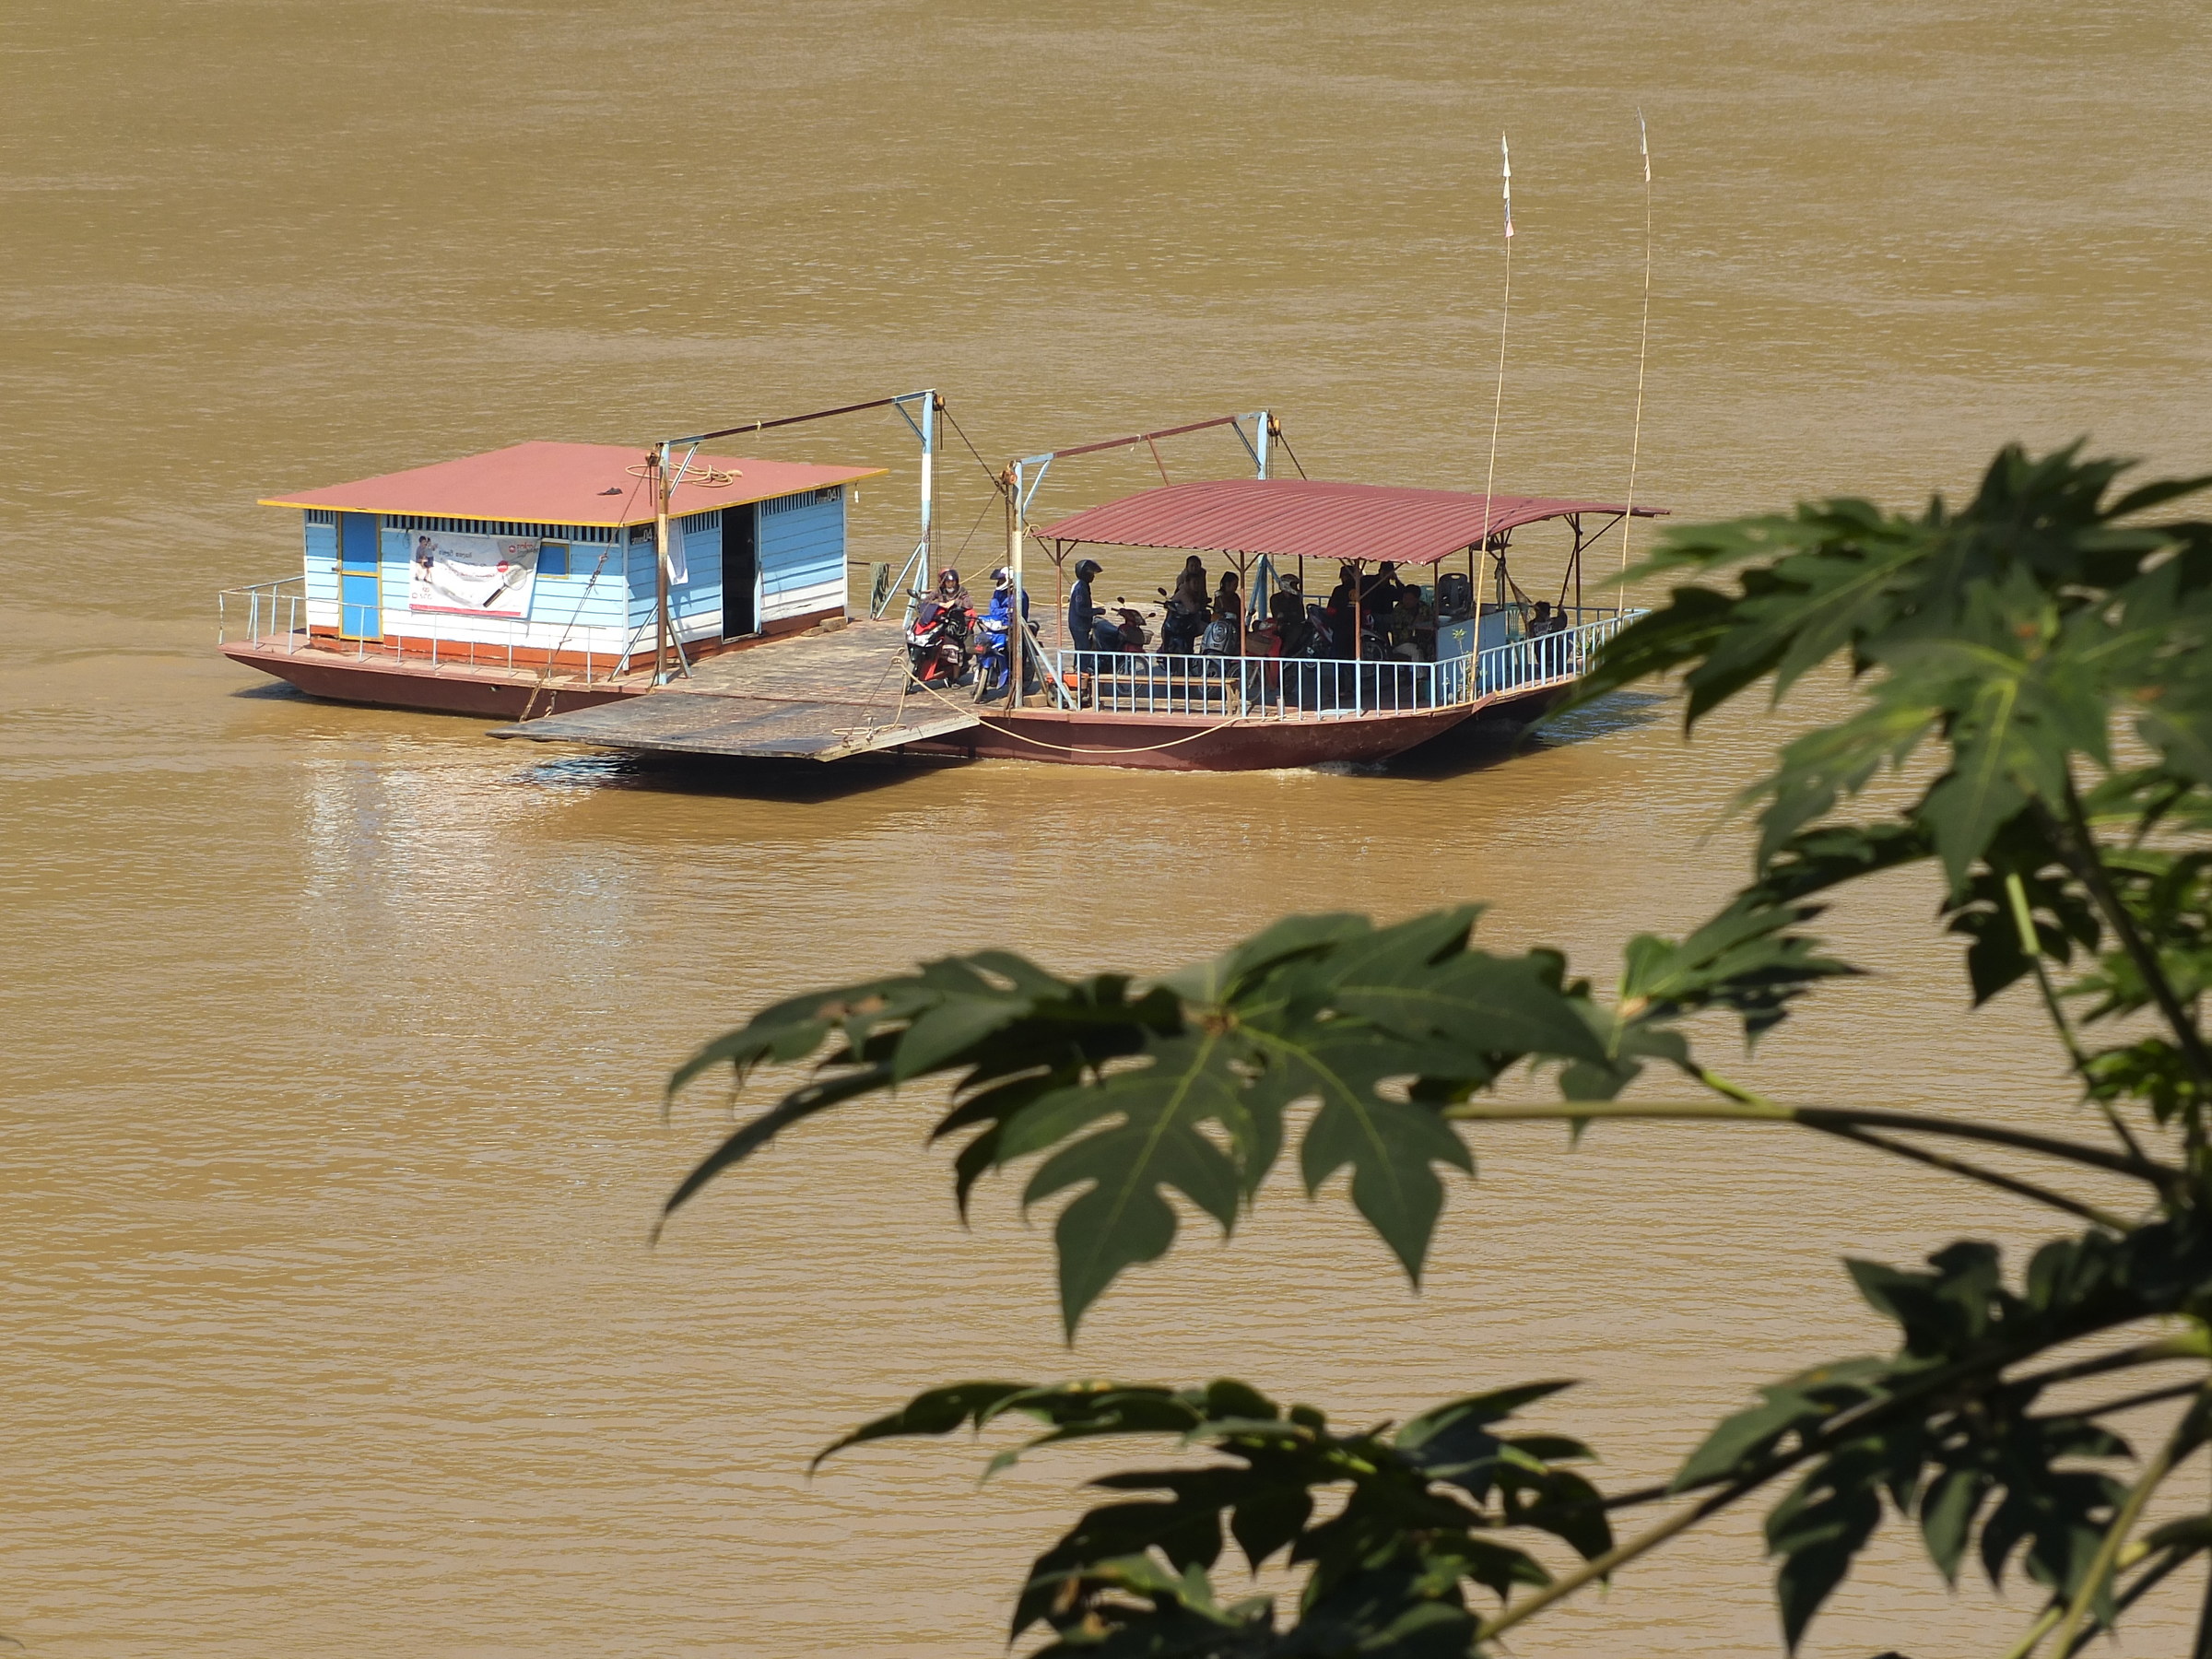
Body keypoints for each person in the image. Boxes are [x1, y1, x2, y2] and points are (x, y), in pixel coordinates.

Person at [1067, 557, 1119, 653]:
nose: (1093, 577)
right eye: (1091, 574)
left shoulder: (1084, 585)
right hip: (1078, 625)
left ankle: (1077, 666)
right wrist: (1097, 611)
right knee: (1084, 651)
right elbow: (1081, 610)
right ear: (1085, 574)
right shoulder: (1080, 588)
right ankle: (1082, 668)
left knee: (1081, 649)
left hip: (1083, 624)